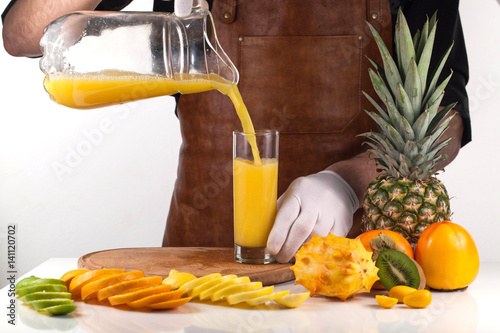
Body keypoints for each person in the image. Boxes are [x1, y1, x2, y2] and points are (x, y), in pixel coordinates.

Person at [2, 0, 470, 263]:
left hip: (365, 263)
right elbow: (25, 33)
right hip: (202, 266)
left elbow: (446, 115)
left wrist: (347, 183)